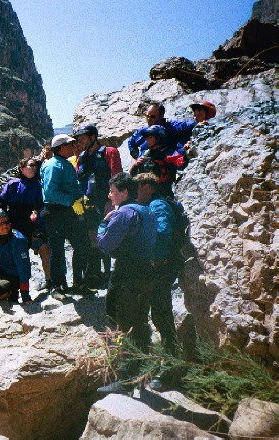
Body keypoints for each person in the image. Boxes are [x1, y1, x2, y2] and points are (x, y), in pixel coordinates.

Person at [96, 173, 157, 394]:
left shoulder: (122, 213)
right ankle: (142, 373)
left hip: (127, 274)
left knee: (124, 324)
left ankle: (126, 379)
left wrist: (104, 223)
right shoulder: (147, 211)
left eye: (113, 191)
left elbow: (105, 245)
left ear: (124, 192)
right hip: (147, 272)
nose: (109, 195)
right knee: (140, 322)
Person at [74, 124, 123, 288]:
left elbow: (117, 177)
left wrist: (113, 202)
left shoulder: (109, 152)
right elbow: (78, 179)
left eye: (83, 139)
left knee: (106, 236)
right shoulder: (81, 157)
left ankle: (109, 273)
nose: (80, 142)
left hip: (105, 202)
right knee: (91, 237)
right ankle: (94, 273)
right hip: (87, 203)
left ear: (93, 137)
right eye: (78, 139)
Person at [135, 173, 178, 354]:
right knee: (153, 313)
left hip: (161, 266)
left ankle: (172, 359)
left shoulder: (157, 205)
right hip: (156, 266)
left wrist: (156, 259)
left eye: (135, 189)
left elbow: (162, 232)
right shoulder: (149, 205)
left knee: (161, 314)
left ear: (147, 188)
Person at [40, 134, 88, 295]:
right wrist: (72, 201)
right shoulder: (53, 165)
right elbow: (50, 193)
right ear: (60, 147)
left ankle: (77, 281)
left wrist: (81, 198)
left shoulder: (65, 164)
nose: (73, 147)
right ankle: (57, 285)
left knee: (81, 245)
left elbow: (74, 185)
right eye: (69, 145)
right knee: (57, 250)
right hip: (55, 212)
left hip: (68, 211)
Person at [0, 158, 52, 290]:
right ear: (22, 169)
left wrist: (38, 220)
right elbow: (1, 204)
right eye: (31, 165)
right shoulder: (12, 184)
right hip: (15, 226)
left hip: (32, 225)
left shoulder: (37, 185)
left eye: (35, 166)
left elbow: (40, 205)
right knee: (17, 255)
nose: (34, 168)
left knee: (45, 249)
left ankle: (49, 281)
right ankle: (14, 285)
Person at [129, 125, 188, 198]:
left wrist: (187, 152)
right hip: (145, 193)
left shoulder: (169, 153)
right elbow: (133, 176)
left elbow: (182, 163)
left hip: (163, 192)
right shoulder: (145, 154)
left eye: (150, 137)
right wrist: (135, 165)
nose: (146, 139)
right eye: (146, 137)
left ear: (158, 138)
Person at [128, 101, 195, 159]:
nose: (149, 119)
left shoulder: (170, 126)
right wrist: (137, 157)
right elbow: (131, 142)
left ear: (161, 116)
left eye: (152, 116)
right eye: (147, 116)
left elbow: (188, 125)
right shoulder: (142, 131)